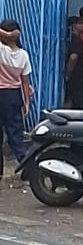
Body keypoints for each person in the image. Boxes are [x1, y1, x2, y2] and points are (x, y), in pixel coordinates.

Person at [0, 21, 34, 180]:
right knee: (15, 135)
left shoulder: (1, 50)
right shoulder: (23, 54)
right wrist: (26, 102)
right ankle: (28, 165)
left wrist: (5, 35)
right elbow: (25, 81)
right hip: (14, 96)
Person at [64, 16, 83, 111]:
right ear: (74, 25)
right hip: (77, 76)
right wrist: (68, 74)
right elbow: (73, 57)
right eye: (81, 23)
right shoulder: (75, 39)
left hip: (76, 76)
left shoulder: (72, 39)